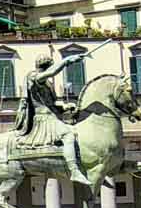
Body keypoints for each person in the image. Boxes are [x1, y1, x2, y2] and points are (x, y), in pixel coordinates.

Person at [14, 52, 89, 184]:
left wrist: (65, 106)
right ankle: (74, 171)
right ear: (46, 67)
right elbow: (52, 73)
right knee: (68, 135)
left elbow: (52, 104)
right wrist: (67, 60)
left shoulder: (47, 83)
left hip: (52, 116)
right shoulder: (34, 77)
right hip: (44, 119)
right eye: (50, 67)